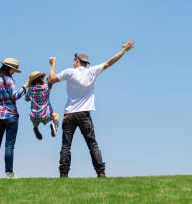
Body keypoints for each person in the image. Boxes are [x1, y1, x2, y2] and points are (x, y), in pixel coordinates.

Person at [48, 39, 136, 178]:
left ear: (77, 60)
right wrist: (123, 51)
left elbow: (51, 79)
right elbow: (109, 62)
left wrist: (52, 65)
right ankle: (101, 173)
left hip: (69, 114)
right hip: (84, 114)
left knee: (66, 146)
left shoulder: (69, 72)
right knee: (92, 144)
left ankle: (63, 175)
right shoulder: (91, 72)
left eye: (74, 59)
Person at [24, 71, 60, 140]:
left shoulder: (31, 89)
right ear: (40, 78)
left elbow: (26, 99)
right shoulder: (46, 87)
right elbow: (51, 81)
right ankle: (54, 126)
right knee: (56, 116)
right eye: (42, 77)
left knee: (34, 121)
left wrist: (30, 95)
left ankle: (35, 128)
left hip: (34, 116)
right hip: (45, 115)